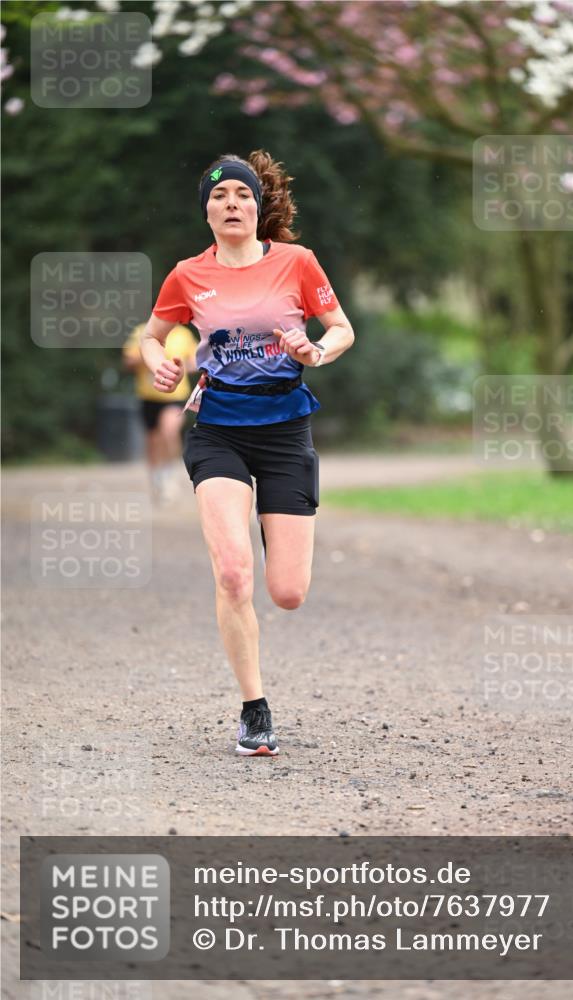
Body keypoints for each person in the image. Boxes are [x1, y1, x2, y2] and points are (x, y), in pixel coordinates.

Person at [139, 150, 355, 756]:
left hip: (286, 430)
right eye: (219, 195)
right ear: (206, 210)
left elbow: (342, 328)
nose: (231, 203)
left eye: (242, 194)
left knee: (287, 591)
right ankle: (254, 711)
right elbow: (152, 338)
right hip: (218, 431)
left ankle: (274, 531)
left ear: (258, 207)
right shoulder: (187, 275)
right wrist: (163, 367)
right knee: (233, 572)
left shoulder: (296, 262)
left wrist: (316, 351)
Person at [122, 322, 199, 503]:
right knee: (153, 440)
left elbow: (196, 361)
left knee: (169, 431)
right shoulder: (142, 332)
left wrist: (177, 369)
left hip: (175, 395)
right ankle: (156, 476)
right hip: (149, 395)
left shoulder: (183, 334)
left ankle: (169, 473)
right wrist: (148, 357)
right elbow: (128, 361)